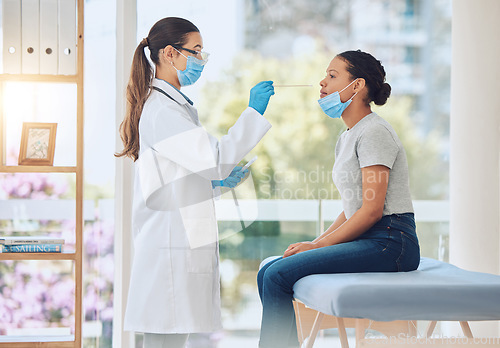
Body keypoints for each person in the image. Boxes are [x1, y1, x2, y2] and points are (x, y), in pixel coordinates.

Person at [115, 17, 274, 348]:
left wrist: (214, 185)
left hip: (178, 240)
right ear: (171, 54)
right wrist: (253, 113)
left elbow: (177, 174)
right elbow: (213, 158)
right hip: (169, 247)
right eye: (196, 50)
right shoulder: (162, 110)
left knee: (172, 337)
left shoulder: (174, 107)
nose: (201, 59)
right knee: (165, 339)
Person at [257, 50, 420, 348]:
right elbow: (352, 210)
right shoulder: (347, 136)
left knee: (277, 275)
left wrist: (316, 246)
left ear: (356, 86)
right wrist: (314, 243)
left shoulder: (374, 131)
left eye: (332, 76)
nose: (322, 82)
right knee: (269, 269)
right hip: (370, 238)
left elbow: (371, 211)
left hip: (392, 241)